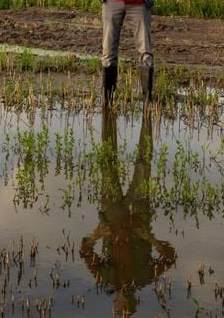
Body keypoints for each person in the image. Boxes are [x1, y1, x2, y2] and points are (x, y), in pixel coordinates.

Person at [80, 105, 175, 314]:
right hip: (137, 213)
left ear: (114, 306)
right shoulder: (143, 278)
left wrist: (97, 234)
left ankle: (110, 106)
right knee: (144, 162)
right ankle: (146, 109)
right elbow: (170, 257)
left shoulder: (106, 281)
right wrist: (149, 238)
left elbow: (84, 251)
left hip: (112, 213)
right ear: (136, 304)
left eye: (121, 310)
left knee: (108, 162)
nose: (124, 305)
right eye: (127, 310)